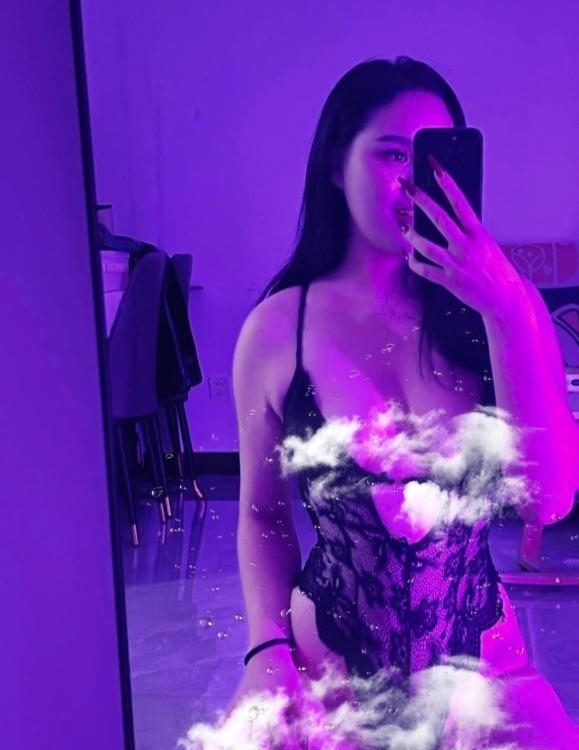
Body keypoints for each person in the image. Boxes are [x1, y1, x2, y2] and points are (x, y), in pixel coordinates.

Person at [231, 57, 579, 749]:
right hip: (324, 677)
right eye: (392, 154)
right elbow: (261, 512)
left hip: (484, 672)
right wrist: (264, 650)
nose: (413, 182)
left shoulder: (501, 315)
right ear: (337, 164)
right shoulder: (276, 330)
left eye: (432, 159)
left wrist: (508, 308)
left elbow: (549, 502)